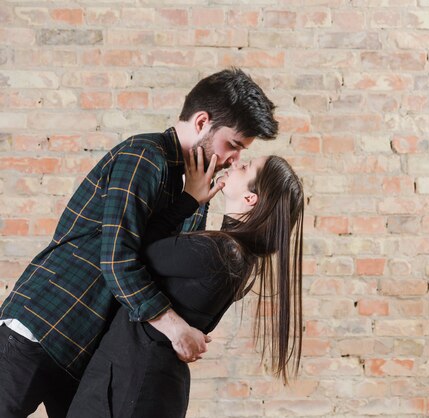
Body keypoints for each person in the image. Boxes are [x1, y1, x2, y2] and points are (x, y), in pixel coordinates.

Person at [0, 68, 278, 418]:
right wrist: (176, 328)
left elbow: (158, 262)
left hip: (89, 349)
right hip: (45, 325)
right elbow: (118, 259)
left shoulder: (195, 188)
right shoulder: (144, 156)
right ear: (202, 122)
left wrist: (193, 203)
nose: (234, 159)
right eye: (233, 145)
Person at [67, 155, 304, 418]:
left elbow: (130, 253)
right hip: (142, 382)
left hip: (131, 383)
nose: (236, 164)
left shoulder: (222, 251)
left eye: (246, 167)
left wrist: (189, 200)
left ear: (251, 198)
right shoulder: (235, 254)